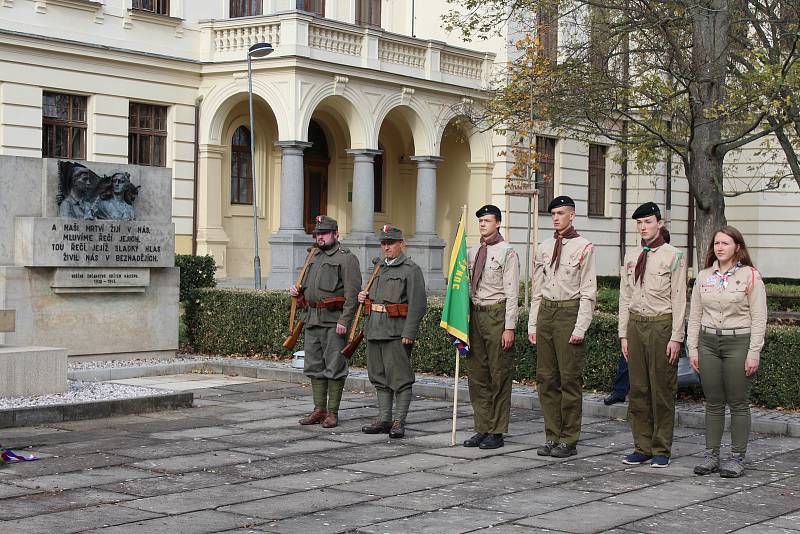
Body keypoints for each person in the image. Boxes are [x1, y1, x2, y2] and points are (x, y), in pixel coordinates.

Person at [687, 226, 767, 478]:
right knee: (713, 402)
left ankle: (736, 457)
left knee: (738, 402)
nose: (719, 248)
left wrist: (754, 352)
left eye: (725, 243)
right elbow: (695, 315)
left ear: (737, 248)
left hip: (738, 342)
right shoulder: (703, 277)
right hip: (709, 342)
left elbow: (759, 318)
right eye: (716, 243)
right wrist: (694, 348)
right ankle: (711, 454)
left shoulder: (750, 276)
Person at [618, 202, 687, 468]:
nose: (643, 227)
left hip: (661, 325)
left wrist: (676, 337)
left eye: (648, 222)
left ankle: (661, 448)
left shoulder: (674, 256)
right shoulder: (631, 256)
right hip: (636, 325)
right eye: (639, 223)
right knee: (638, 389)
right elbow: (625, 296)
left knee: (662, 389)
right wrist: (623, 334)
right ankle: (642, 446)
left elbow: (679, 299)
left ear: (659, 223)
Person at [529, 196, 597, 458]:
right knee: (546, 378)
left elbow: (589, 291)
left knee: (569, 378)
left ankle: (569, 438)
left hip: (569, 311)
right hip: (547, 311)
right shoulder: (545, 246)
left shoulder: (584, 247)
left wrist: (580, 327)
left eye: (560, 213)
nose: (556, 217)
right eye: (553, 213)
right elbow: (537, 288)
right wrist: (533, 322)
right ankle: (551, 435)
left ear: (572, 215)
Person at [290, 215, 361, 429]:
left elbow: (353, 293)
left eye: (324, 233)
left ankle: (332, 412)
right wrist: (298, 292)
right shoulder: (313, 255)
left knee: (334, 366)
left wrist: (345, 320)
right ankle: (319, 409)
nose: (320, 237)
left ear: (336, 234)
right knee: (314, 366)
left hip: (333, 321)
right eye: (317, 234)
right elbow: (308, 286)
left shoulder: (346, 258)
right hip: (312, 319)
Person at [358, 225, 427, 438]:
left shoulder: (410, 269)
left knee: (400, 378)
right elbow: (375, 299)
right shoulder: (378, 268)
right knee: (378, 376)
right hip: (375, 330)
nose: (386, 247)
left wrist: (409, 332)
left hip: (396, 332)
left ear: (400, 244)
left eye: (390, 243)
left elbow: (418, 304)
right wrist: (364, 299)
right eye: (383, 243)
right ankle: (384, 418)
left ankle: (399, 421)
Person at [463, 204, 520, 450]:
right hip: (476, 315)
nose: (483, 224)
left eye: (487, 220)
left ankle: (497, 431)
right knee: (477, 376)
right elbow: (464, 284)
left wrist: (509, 327)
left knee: (498, 375)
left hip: (497, 313)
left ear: (498, 223)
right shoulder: (472, 251)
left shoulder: (507, 252)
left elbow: (512, 293)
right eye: (480, 221)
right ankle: (482, 427)